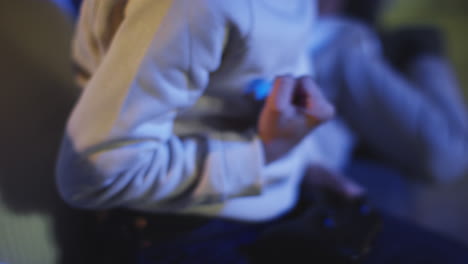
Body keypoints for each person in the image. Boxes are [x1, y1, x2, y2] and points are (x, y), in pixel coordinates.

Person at [56, 0, 468, 263]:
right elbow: (96, 173)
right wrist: (264, 155)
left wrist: (302, 161)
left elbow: (270, 72)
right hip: (197, 230)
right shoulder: (189, 9)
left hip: (267, 200)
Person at [310, 0, 468, 183]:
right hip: (334, 46)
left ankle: (417, 48)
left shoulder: (341, 52)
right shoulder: (340, 53)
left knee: (450, 152)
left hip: (332, 42)